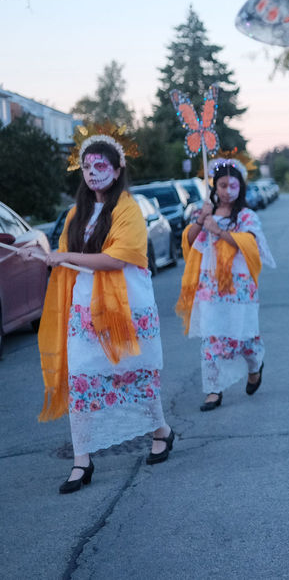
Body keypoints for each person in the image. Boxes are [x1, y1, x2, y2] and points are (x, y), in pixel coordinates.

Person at [36, 130, 174, 493]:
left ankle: (162, 431)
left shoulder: (127, 207)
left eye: (101, 165)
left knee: (134, 375)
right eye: (87, 166)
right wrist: (53, 259)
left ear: (116, 170)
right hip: (84, 309)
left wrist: (64, 256)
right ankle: (82, 460)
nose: (93, 171)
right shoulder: (74, 214)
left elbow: (116, 259)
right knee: (81, 378)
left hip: (125, 307)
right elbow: (68, 258)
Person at [176, 157, 275, 412]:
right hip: (210, 285)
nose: (228, 191)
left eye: (233, 185)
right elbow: (188, 240)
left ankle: (255, 367)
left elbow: (250, 243)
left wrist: (219, 231)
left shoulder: (246, 215)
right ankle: (213, 389)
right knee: (211, 336)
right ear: (214, 187)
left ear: (241, 187)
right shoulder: (206, 212)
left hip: (239, 285)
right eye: (222, 185)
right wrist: (201, 221)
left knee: (244, 338)